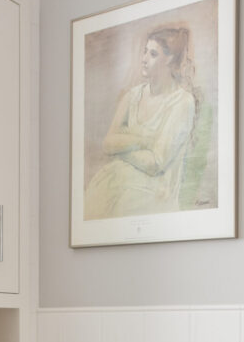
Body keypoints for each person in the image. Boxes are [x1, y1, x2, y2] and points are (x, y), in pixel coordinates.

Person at [84, 26, 197, 219]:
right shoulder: (133, 96)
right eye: (144, 51)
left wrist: (121, 148)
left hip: (152, 196)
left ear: (169, 60)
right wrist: (144, 142)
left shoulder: (183, 102)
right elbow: (108, 143)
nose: (143, 59)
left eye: (152, 54)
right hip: (115, 184)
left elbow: (155, 163)